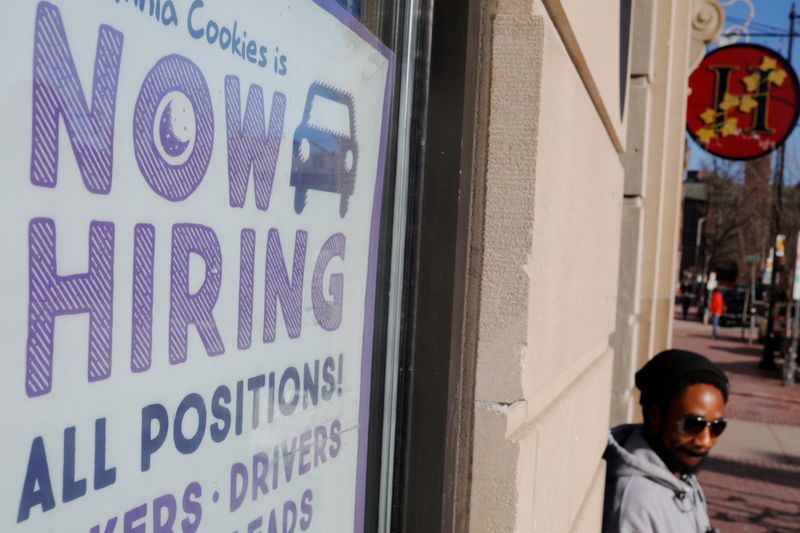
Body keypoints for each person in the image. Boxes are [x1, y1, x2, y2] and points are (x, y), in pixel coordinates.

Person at [602, 349, 729, 533]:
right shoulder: (635, 504)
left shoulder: (677, 469)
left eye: (716, 427)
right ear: (655, 415)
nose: (705, 441)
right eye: (693, 424)